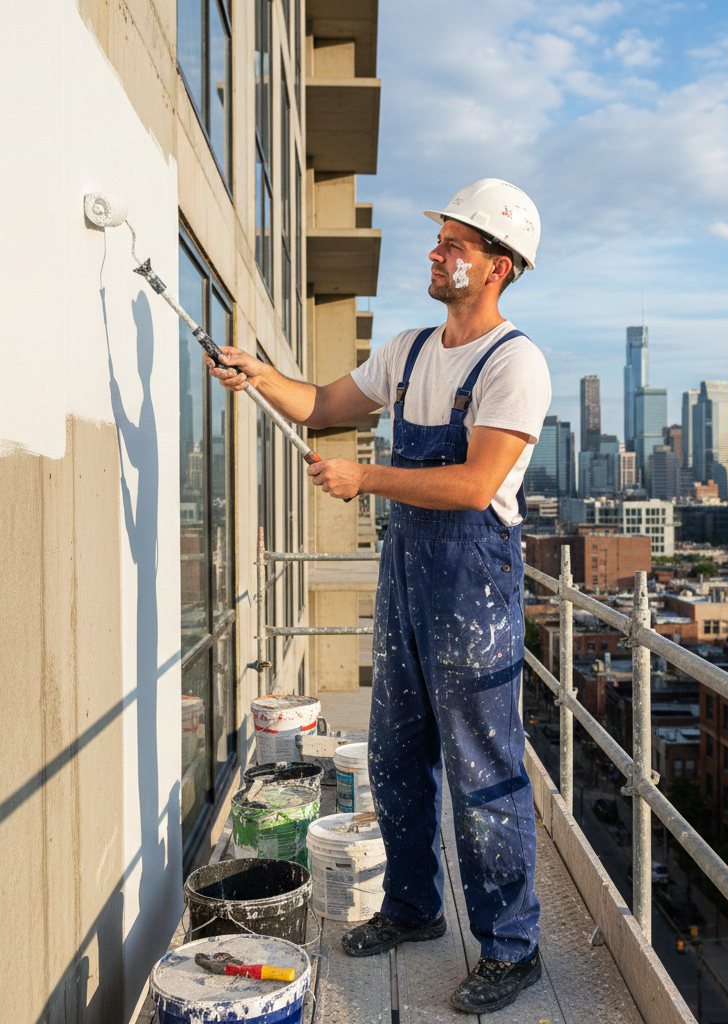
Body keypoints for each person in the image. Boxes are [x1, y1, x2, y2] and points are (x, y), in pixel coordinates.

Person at [207, 179, 552, 1014]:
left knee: (482, 770)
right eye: (440, 241)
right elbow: (325, 404)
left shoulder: (515, 363)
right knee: (395, 754)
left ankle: (512, 948)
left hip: (474, 584)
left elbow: (474, 485)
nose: (435, 254)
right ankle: (413, 907)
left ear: (498, 266)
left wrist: (364, 477)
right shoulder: (409, 350)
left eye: (454, 245)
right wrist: (259, 376)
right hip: (407, 576)